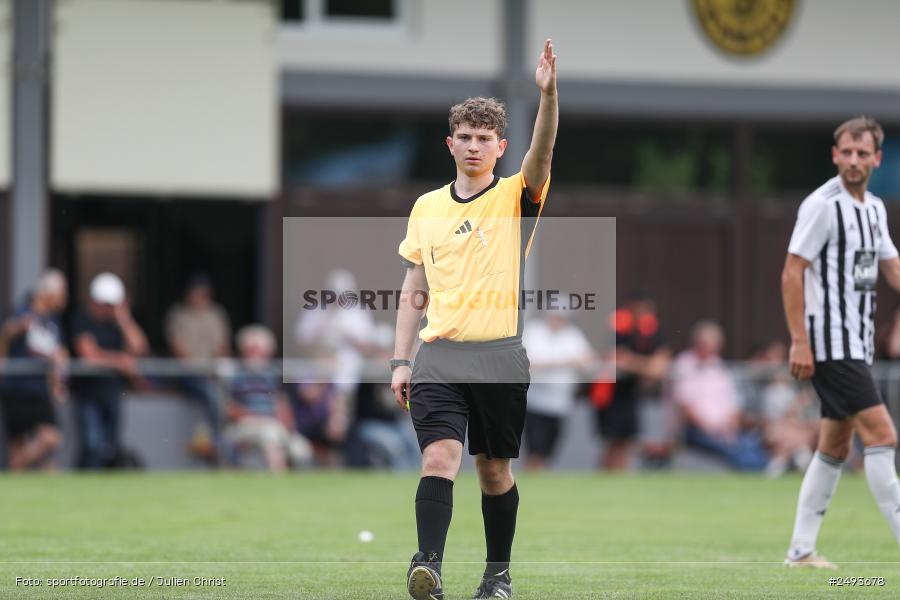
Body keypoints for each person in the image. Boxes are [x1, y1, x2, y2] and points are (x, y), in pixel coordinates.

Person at [391, 39, 557, 600]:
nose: (473, 146)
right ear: (450, 143)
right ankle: (428, 567)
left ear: (500, 147)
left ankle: (497, 574)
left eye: (484, 139)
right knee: (439, 457)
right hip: (439, 355)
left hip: (500, 357)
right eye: (464, 137)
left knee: (492, 471)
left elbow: (543, 153)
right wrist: (399, 359)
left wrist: (547, 96)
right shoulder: (426, 207)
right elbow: (414, 285)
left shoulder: (515, 197)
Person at [782, 116, 900, 568]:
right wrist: (799, 340)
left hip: (857, 341)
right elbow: (792, 271)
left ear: (876, 159)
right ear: (834, 155)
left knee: (834, 446)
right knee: (883, 435)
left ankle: (800, 550)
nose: (853, 160)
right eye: (846, 152)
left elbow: (890, 268)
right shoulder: (822, 205)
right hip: (829, 342)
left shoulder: (874, 209)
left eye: (861, 153)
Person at [70, 273, 149, 469]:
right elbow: (88, 355)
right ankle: (86, 480)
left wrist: (124, 319)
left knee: (109, 446)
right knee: (92, 443)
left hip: (112, 393)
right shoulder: (82, 319)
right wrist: (119, 361)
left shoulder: (116, 323)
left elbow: (139, 348)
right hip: (88, 394)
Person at [669, 321, 768, 471]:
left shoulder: (719, 366)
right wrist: (712, 429)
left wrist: (730, 428)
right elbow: (685, 406)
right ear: (698, 343)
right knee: (738, 454)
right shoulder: (684, 364)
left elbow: (733, 403)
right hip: (697, 431)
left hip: (725, 431)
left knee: (751, 445)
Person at [0, 270, 68, 470]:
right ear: (48, 293)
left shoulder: (52, 321)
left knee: (50, 437)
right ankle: (16, 469)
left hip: (40, 389)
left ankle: (15, 467)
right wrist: (14, 329)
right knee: (18, 445)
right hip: (17, 388)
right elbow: (5, 335)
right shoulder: (22, 312)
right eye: (61, 293)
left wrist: (58, 384)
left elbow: (57, 355)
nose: (64, 298)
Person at [594, 292, 670, 471]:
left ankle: (619, 477)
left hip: (630, 393)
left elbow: (660, 364)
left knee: (626, 441)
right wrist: (644, 366)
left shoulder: (649, 331)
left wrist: (635, 363)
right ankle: (606, 478)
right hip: (610, 395)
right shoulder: (618, 329)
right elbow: (616, 358)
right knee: (613, 442)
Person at [224, 325, 312, 472]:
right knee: (269, 435)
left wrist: (287, 425)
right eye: (251, 350)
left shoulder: (274, 376)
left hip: (274, 425)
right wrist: (253, 417)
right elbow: (229, 408)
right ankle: (278, 478)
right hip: (247, 425)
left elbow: (282, 405)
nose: (255, 355)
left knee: (301, 447)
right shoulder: (234, 375)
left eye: (259, 350)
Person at [165, 274, 231, 460]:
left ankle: (224, 442)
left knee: (224, 393)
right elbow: (178, 348)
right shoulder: (178, 315)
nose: (200, 297)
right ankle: (215, 442)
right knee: (211, 394)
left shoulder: (216, 314)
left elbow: (222, 346)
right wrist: (198, 369)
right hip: (189, 375)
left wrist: (215, 368)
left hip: (212, 374)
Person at [521, 310, 595, 471]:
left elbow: (589, 361)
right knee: (535, 448)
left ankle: (539, 476)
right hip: (535, 400)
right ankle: (533, 475)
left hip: (561, 402)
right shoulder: (534, 332)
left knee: (548, 449)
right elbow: (527, 364)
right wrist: (564, 362)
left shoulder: (572, 335)